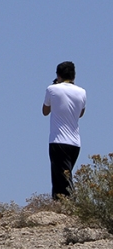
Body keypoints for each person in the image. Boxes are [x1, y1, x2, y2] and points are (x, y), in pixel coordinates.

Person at [43, 61, 86, 201]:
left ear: (58, 75)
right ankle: (62, 204)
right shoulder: (82, 92)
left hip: (58, 140)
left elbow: (45, 111)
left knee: (60, 179)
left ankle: (66, 206)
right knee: (65, 175)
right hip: (75, 143)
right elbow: (80, 113)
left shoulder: (52, 89)